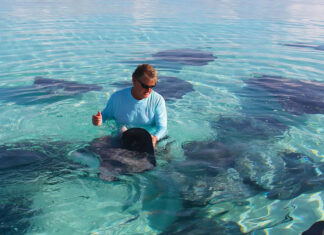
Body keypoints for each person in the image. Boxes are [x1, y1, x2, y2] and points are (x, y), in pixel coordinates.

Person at [92, 64, 167, 148]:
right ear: (134, 80)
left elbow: (162, 128)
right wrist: (98, 120)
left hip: (148, 141)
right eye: (145, 86)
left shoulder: (158, 100)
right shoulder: (118, 97)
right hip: (121, 139)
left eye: (152, 86)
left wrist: (155, 138)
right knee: (93, 145)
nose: (148, 90)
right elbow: (105, 115)